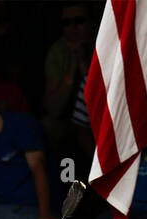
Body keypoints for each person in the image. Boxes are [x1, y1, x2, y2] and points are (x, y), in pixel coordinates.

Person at [42, 4, 93, 155]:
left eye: (79, 21)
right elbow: (54, 108)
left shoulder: (102, 43)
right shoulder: (57, 52)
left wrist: (83, 62)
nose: (73, 28)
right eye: (67, 23)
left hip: (99, 118)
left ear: (90, 22)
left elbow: (99, 99)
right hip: (66, 122)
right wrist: (73, 64)